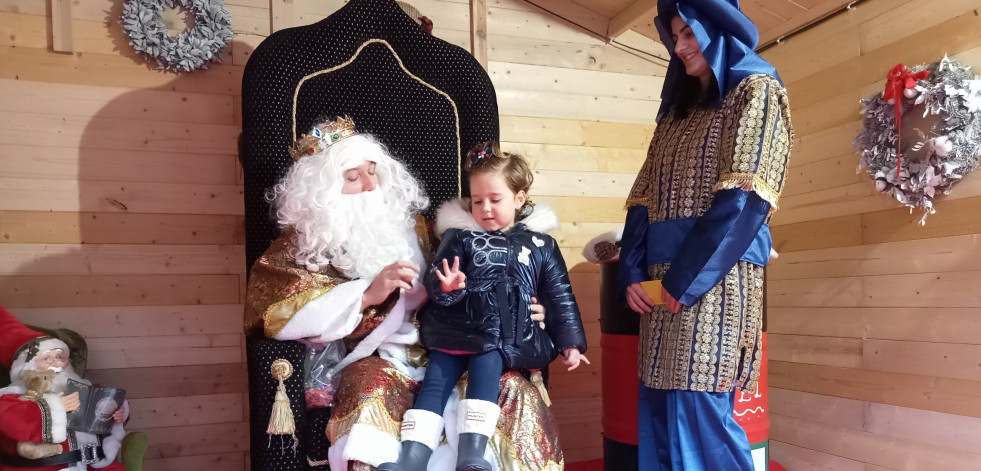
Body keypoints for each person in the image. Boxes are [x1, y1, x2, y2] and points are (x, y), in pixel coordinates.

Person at [244, 118, 566, 471]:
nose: (370, 185)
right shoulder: (303, 245)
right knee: (368, 388)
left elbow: (498, 271)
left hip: (456, 347)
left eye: (373, 172)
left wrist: (530, 308)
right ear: (321, 191)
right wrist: (366, 294)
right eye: (353, 178)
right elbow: (272, 311)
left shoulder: (424, 229)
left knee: (513, 391)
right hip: (374, 358)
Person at [617, 1, 792, 469]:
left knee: (700, 411)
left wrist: (685, 280)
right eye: (674, 37)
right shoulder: (675, 114)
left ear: (717, 30)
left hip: (716, 280)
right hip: (659, 280)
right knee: (658, 406)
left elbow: (746, 198)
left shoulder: (756, 91)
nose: (680, 46)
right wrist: (632, 270)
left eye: (689, 34)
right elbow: (642, 195)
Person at [380, 143, 588, 471]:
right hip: (452, 328)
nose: (485, 208)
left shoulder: (541, 244)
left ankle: (472, 454)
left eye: (495, 200)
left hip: (498, 335)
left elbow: (559, 294)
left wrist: (570, 342)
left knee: (484, 379)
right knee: (435, 383)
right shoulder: (460, 236)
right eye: (477, 201)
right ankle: (411, 457)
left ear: (519, 199)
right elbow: (437, 278)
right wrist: (445, 286)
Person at [0, 307, 130, 471]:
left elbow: (104, 418)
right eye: (48, 359)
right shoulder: (13, 396)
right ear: (29, 366)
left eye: (61, 358)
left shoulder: (85, 390)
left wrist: (117, 414)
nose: (58, 363)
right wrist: (57, 407)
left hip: (90, 463)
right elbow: (12, 420)